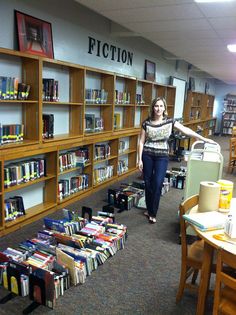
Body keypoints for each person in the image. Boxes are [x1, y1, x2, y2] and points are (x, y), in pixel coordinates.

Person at [138, 97, 216, 224]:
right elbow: (141, 142)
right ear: (153, 107)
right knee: (148, 183)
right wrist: (139, 159)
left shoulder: (170, 121)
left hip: (162, 156)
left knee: (157, 183)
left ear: (164, 108)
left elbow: (186, 130)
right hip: (147, 155)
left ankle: (153, 212)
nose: (158, 108)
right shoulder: (146, 123)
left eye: (161, 106)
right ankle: (149, 208)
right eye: (156, 106)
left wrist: (204, 139)